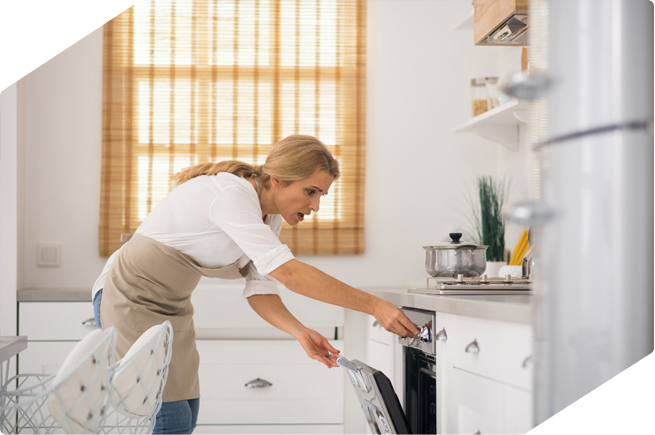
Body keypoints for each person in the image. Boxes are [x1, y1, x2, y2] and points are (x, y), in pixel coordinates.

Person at [92, 134, 419, 435]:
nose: (316, 206)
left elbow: (260, 289)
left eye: (321, 195)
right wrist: (374, 305)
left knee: (186, 413)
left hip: (171, 309)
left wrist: (300, 332)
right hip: (128, 297)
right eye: (311, 191)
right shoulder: (232, 195)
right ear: (277, 180)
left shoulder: (269, 217)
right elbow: (288, 274)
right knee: (170, 418)